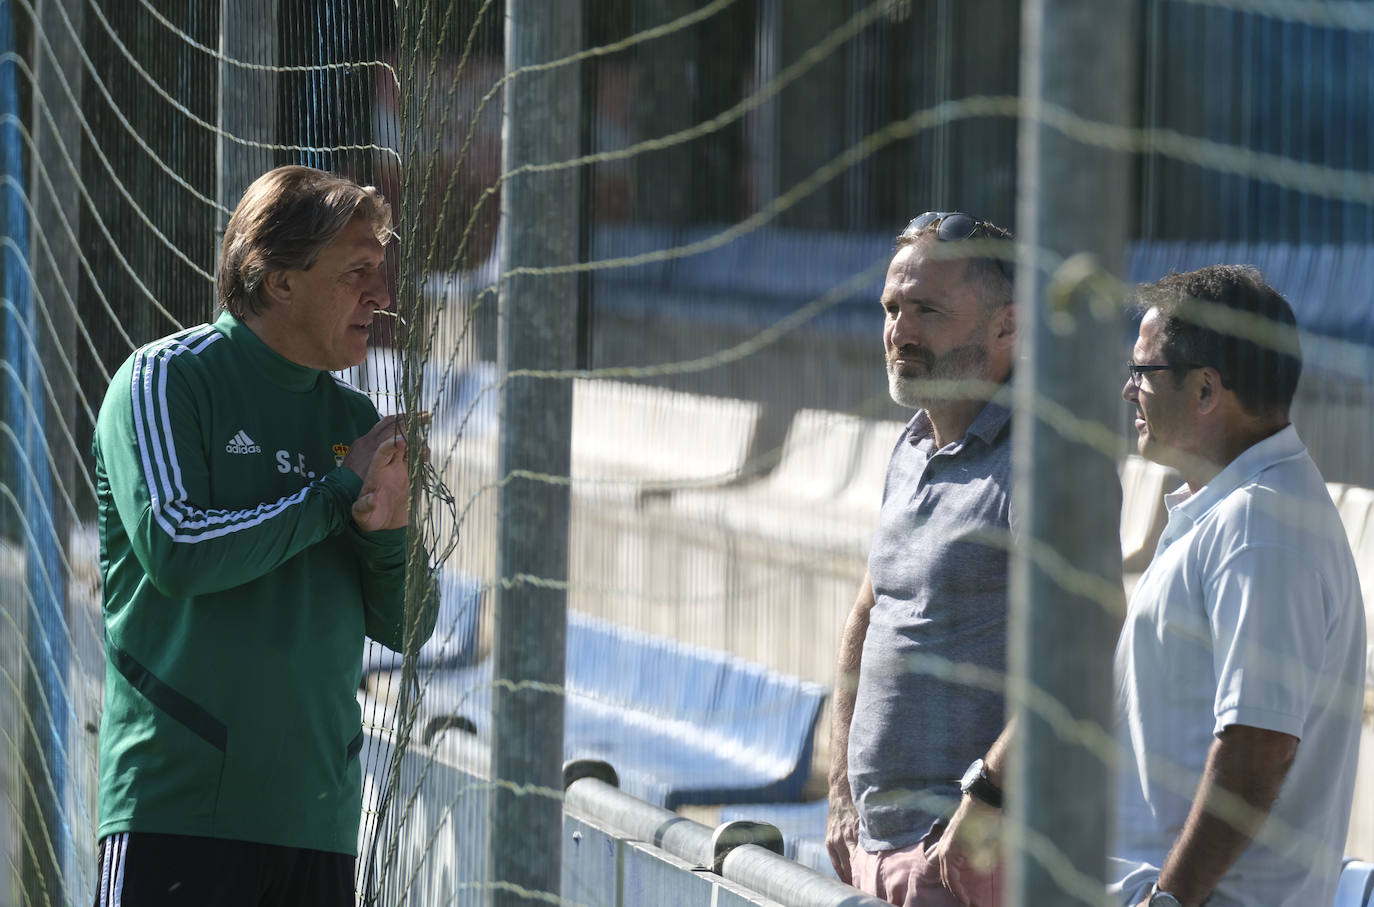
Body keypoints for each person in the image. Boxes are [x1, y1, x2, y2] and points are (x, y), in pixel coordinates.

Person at [90, 165, 437, 906]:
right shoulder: (165, 381)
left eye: (381, 272)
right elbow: (179, 549)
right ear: (279, 280)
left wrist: (387, 534)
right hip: (176, 815)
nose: (381, 296)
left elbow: (412, 625)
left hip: (318, 824)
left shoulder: (353, 424)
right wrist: (336, 493)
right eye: (357, 272)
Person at [1109, 265, 1364, 906]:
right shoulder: (1234, 511)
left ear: (1204, 390)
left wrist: (1166, 900)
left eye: (1144, 372)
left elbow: (1259, 746)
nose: (1127, 390)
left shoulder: (1259, 526)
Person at [826, 211, 1017, 907]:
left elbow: (1083, 657)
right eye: (891, 308)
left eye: (926, 310)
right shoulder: (909, 450)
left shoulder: (1044, 463)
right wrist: (840, 788)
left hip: (959, 865)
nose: (899, 331)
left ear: (1007, 326)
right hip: (875, 857)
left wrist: (988, 797)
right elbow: (867, 611)